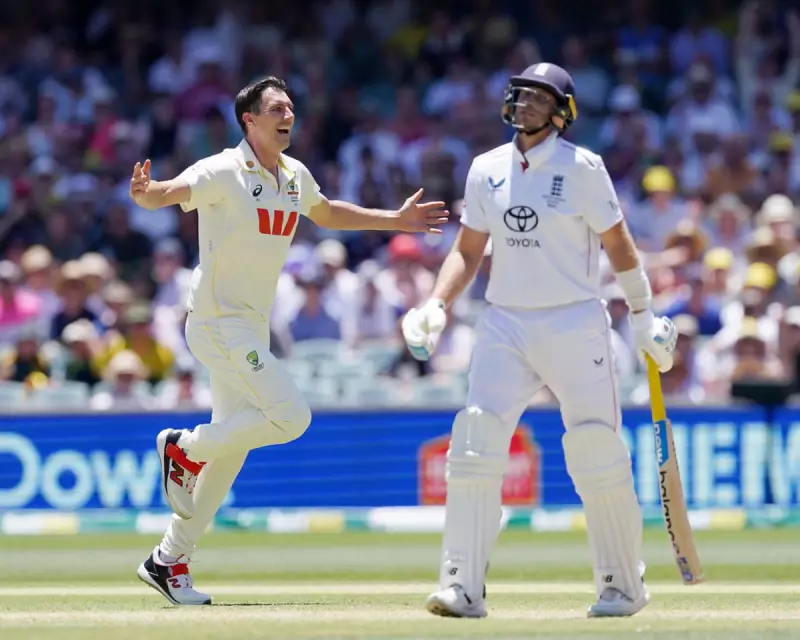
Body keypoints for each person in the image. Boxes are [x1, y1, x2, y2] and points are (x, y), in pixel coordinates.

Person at [128, 76, 448, 606]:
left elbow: (327, 212)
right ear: (248, 119)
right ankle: (183, 448)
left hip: (250, 326)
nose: (288, 116)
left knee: (233, 449)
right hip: (217, 322)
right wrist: (147, 194)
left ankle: (168, 558)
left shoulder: (295, 176)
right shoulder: (223, 169)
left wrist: (395, 220)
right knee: (291, 417)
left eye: (291, 108)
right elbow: (169, 192)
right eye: (276, 108)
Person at [401, 63, 677, 619]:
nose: (524, 103)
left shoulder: (584, 168)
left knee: (596, 448)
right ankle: (461, 587)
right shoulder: (486, 168)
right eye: (521, 93)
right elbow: (468, 250)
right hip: (505, 321)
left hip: (574, 320)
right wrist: (436, 304)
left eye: (539, 97)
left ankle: (622, 585)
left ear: (562, 113)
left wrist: (643, 313)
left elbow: (619, 243)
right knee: (474, 444)